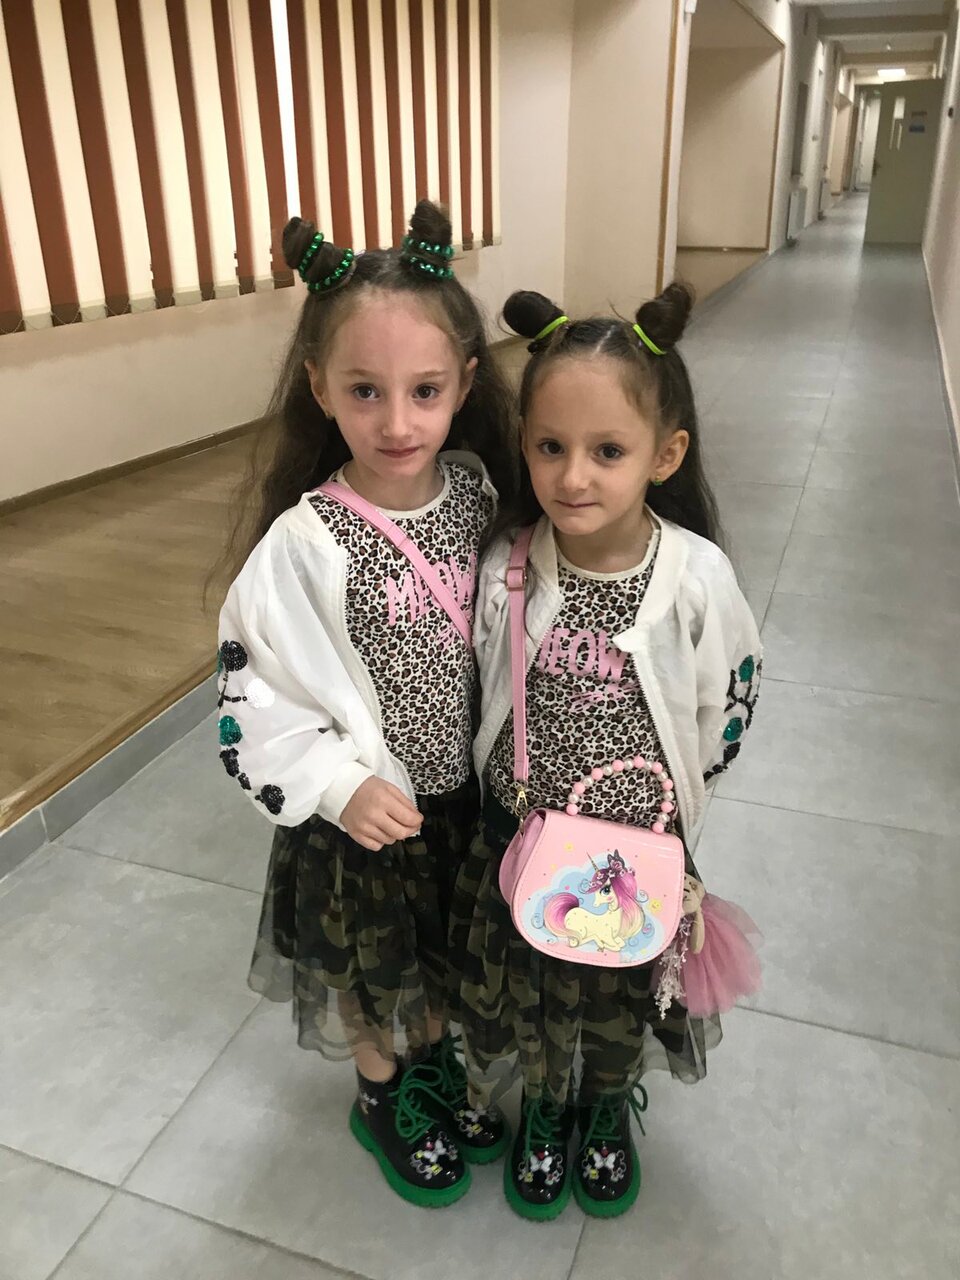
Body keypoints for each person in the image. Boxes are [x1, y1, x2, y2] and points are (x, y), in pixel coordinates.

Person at [216, 201, 515, 1208]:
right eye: (365, 391)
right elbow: (253, 691)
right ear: (319, 387)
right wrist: (337, 784)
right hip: (362, 822)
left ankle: (430, 1065)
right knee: (370, 967)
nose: (397, 423)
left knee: (437, 959)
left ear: (464, 383)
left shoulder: (480, 499)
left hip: (457, 807)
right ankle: (382, 1090)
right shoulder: (303, 543)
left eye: (425, 391)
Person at [450, 283, 761, 1220]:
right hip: (524, 844)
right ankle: (546, 1107)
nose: (573, 476)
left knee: (619, 1001)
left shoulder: (694, 578)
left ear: (666, 455)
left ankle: (603, 1106)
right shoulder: (508, 567)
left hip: (636, 856)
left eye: (608, 451)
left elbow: (727, 700)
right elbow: (482, 683)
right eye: (550, 446)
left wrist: (677, 800)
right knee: (533, 991)